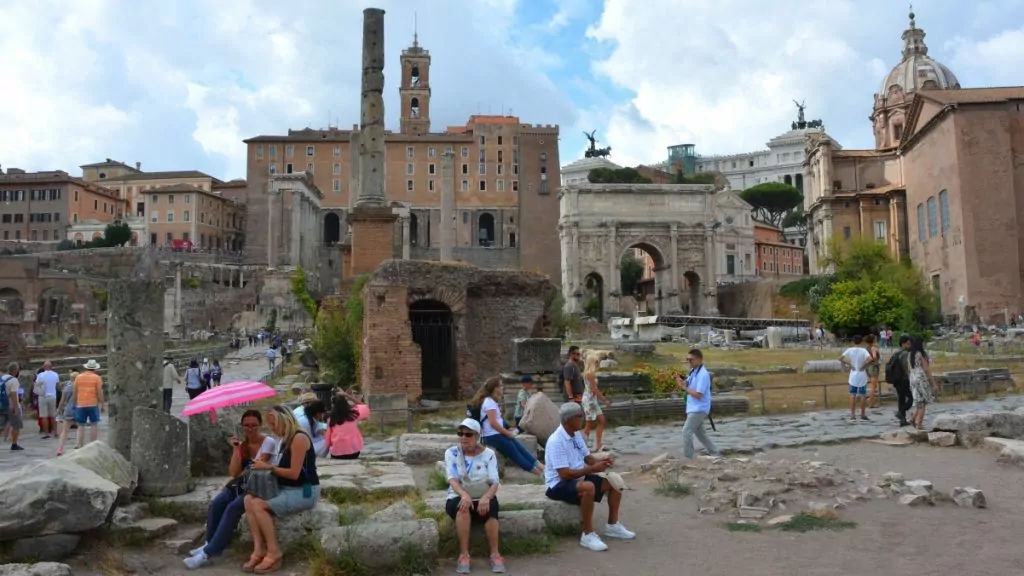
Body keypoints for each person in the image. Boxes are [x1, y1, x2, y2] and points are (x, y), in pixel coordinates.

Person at [185, 410, 277, 569]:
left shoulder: (268, 442)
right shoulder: (243, 445)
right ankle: (209, 542)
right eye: (246, 425)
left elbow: (256, 467)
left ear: (260, 425)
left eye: (254, 425)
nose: (250, 429)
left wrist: (243, 470)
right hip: (241, 485)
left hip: (258, 487)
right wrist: (236, 450)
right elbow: (233, 473)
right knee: (217, 503)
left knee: (232, 508)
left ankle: (208, 553)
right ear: (242, 426)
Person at [544, 403, 635, 552]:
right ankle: (587, 534)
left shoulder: (577, 435)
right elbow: (564, 474)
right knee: (588, 487)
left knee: (614, 480)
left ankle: (612, 525)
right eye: (579, 416)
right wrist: (592, 469)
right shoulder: (556, 441)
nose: (583, 419)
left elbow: (587, 458)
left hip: (578, 477)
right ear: (568, 420)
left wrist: (602, 463)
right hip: (557, 485)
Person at [242, 406, 320, 574]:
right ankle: (259, 548)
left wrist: (268, 467)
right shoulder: (285, 439)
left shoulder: (299, 438)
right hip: (288, 488)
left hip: (305, 490)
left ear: (285, 420)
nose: (272, 428)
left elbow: (294, 473)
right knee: (248, 500)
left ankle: (274, 551)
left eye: (274, 424)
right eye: (269, 424)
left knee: (258, 505)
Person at [444, 418, 505, 574]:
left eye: (468, 434)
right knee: (462, 507)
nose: (463, 437)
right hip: (459, 494)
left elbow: (495, 482)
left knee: (491, 508)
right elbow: (452, 479)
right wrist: (464, 495)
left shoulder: (489, 454)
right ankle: (464, 555)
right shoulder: (451, 453)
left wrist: (486, 497)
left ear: (477, 436)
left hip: (482, 494)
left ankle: (495, 554)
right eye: (461, 434)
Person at [471, 377, 544, 476]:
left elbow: (497, 421)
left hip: (497, 434)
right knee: (515, 453)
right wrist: (507, 433)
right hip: (492, 436)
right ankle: (540, 474)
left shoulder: (492, 401)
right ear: (495, 388)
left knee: (520, 448)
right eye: (500, 386)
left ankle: (543, 468)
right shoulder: (489, 402)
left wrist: (508, 429)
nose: (502, 388)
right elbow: (493, 423)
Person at [676, 348, 723, 459]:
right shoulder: (694, 372)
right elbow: (689, 383)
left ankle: (688, 457)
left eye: (691, 360)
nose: (689, 362)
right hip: (693, 407)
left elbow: (698, 394)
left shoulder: (703, 374)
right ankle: (716, 453)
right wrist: (682, 381)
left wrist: (684, 387)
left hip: (699, 408)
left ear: (699, 360)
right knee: (701, 434)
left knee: (686, 431)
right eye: (687, 359)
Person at [325, 389, 370, 460]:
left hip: (337, 453)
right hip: (354, 452)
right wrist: (347, 395)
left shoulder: (331, 419)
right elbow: (363, 406)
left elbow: (327, 441)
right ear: (346, 403)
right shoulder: (354, 414)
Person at [581, 354, 612, 452]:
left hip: (592, 399)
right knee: (589, 423)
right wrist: (604, 400)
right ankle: (583, 446)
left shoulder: (589, 373)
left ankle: (598, 444)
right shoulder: (590, 374)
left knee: (601, 420)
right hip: (589, 400)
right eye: (596, 362)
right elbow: (594, 389)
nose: (598, 364)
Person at [72, 360, 105, 448]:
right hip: (93, 403)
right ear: (95, 369)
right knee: (94, 424)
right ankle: (93, 445)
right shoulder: (97, 378)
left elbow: (75, 391)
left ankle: (80, 444)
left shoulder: (78, 377)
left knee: (81, 425)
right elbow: (99, 392)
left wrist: (74, 403)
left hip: (81, 403)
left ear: (86, 367)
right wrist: (102, 404)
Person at [905, 336, 936, 430]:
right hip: (920, 377)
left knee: (919, 401)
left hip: (912, 377)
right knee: (923, 402)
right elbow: (926, 368)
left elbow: (908, 369)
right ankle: (919, 425)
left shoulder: (909, 354)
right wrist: (933, 383)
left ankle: (913, 418)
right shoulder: (919, 354)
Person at [840, 336, 871, 422]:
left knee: (853, 395)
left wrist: (850, 364)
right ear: (861, 342)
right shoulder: (863, 351)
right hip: (861, 374)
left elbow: (840, 358)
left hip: (853, 374)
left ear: (853, 341)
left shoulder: (850, 350)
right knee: (863, 395)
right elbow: (870, 359)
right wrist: (863, 366)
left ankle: (852, 414)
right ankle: (863, 414)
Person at [890, 335, 914, 426]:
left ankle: (902, 420)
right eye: (908, 344)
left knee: (901, 399)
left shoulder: (896, 353)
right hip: (903, 379)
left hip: (896, 379)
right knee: (911, 398)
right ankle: (901, 412)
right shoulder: (904, 354)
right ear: (903, 344)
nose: (910, 345)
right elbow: (906, 367)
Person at [0, 362, 25, 451]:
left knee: (1, 425)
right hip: (10, 405)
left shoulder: (2, 378)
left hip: (1, 404)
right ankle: (14, 444)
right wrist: (16, 408)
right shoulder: (14, 380)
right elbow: (14, 394)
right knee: (16, 425)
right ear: (15, 371)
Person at [55, 371, 79, 456]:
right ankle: (78, 444)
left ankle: (60, 449)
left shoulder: (67, 388)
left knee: (65, 431)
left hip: (68, 410)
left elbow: (62, 402)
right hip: (78, 409)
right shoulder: (80, 388)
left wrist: (58, 410)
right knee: (79, 428)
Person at [34, 361, 60, 438]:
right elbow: (58, 386)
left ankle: (46, 433)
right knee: (53, 415)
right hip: (52, 396)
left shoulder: (40, 375)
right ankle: (55, 432)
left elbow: (36, 385)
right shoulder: (55, 374)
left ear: (44, 367)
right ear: (51, 367)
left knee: (44, 416)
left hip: (43, 396)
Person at [864, 335, 882, 409]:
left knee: (873, 385)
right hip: (873, 367)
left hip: (868, 367)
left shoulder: (866, 348)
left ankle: (870, 401)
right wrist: (875, 362)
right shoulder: (873, 348)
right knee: (873, 386)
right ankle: (871, 403)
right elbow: (874, 357)